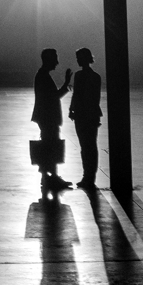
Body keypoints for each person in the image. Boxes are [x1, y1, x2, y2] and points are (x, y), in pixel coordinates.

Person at [31, 48, 73, 193]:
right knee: (51, 144)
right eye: (55, 58)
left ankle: (48, 176)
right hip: (47, 116)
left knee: (48, 144)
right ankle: (51, 176)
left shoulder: (42, 75)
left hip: (45, 116)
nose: (57, 62)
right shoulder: (43, 76)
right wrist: (66, 84)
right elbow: (53, 97)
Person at [68, 47, 102, 189]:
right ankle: (89, 177)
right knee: (90, 146)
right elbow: (95, 98)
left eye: (79, 57)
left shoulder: (79, 75)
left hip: (82, 115)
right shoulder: (95, 77)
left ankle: (87, 176)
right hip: (90, 115)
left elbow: (76, 95)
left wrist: (72, 109)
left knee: (86, 146)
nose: (77, 60)